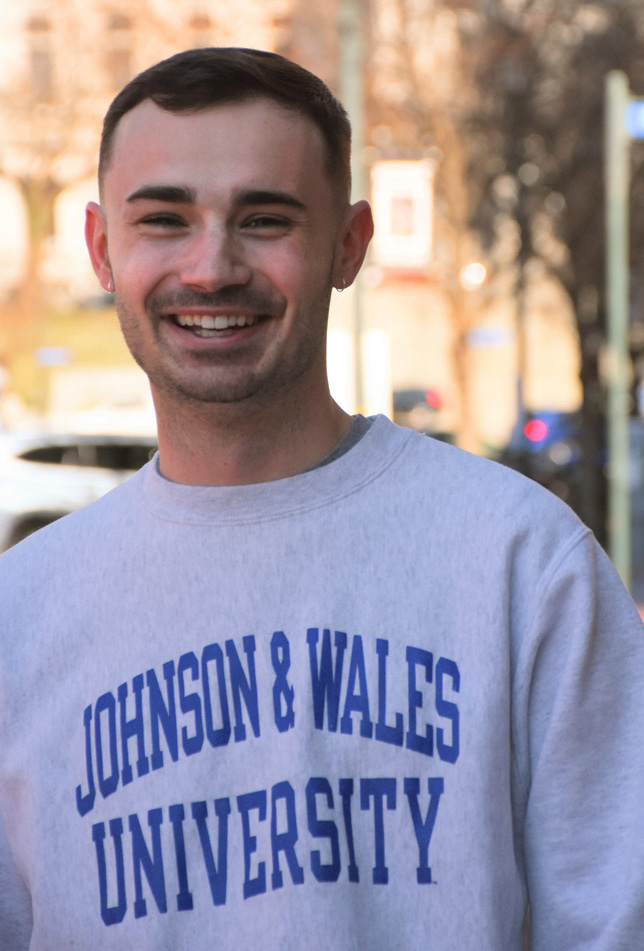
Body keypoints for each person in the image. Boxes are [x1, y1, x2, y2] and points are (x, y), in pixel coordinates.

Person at [0, 47, 642, 951]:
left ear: (349, 245)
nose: (212, 267)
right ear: (104, 248)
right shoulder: (20, 615)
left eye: (265, 219)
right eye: (164, 220)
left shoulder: (523, 564)